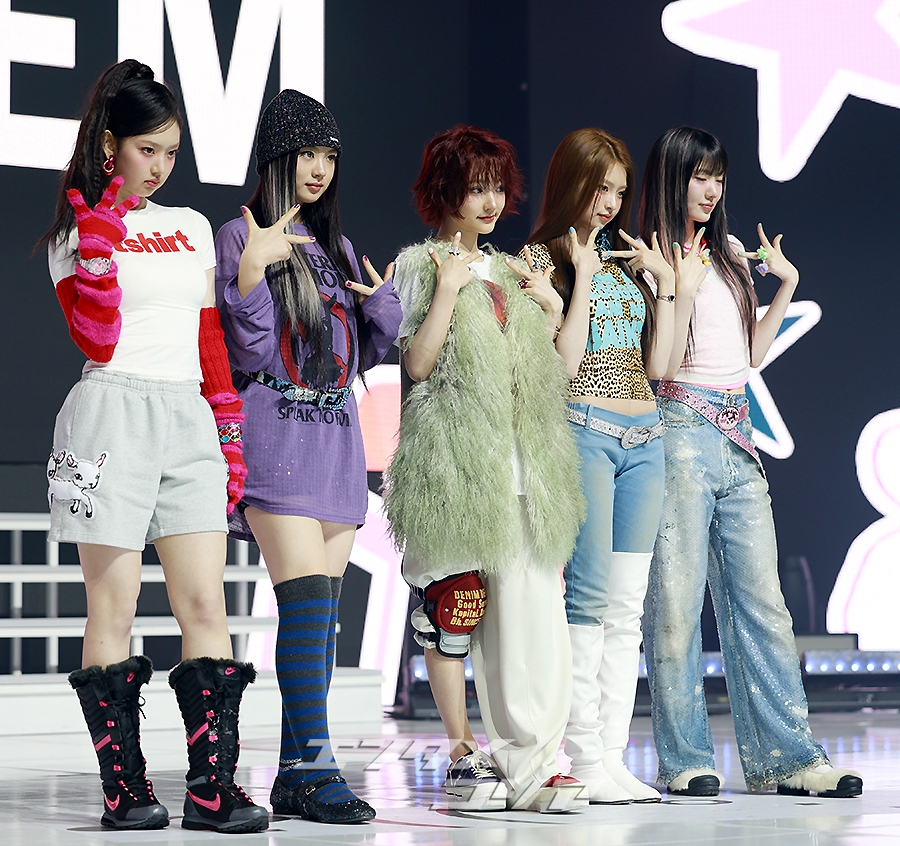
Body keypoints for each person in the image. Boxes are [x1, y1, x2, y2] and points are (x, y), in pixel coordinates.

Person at [42, 60, 268, 833]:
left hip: (188, 417)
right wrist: (100, 248)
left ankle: (213, 790)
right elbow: (95, 337)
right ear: (111, 146)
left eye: (171, 152)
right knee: (114, 604)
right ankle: (125, 792)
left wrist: (227, 431)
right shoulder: (73, 234)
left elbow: (209, 341)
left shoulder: (193, 226)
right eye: (148, 150)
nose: (161, 165)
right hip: (110, 414)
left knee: (205, 601)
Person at [637, 126, 863, 798]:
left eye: (718, 178)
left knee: (764, 604)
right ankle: (684, 759)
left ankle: (788, 759)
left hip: (738, 439)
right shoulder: (649, 257)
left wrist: (785, 286)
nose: (710, 190)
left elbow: (751, 354)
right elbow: (661, 367)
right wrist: (676, 285)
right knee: (676, 605)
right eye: (698, 176)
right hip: (678, 429)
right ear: (673, 178)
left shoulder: (731, 255)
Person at [383, 125, 588, 813]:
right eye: (477, 188)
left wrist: (555, 307)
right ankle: (470, 754)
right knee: (456, 615)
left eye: (498, 187)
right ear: (446, 191)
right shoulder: (418, 265)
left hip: (525, 470)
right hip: (456, 470)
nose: (492, 201)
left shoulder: (509, 270)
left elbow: (555, 374)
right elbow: (416, 366)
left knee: (535, 620)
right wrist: (446, 289)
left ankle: (536, 760)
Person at [214, 90, 402, 824]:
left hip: (337, 440)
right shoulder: (239, 235)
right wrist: (251, 276)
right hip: (277, 435)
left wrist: (381, 311)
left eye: (329, 156)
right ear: (275, 157)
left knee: (320, 620)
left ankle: (297, 774)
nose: (319, 169)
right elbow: (249, 351)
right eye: (306, 154)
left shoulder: (339, 249)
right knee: (304, 607)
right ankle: (317, 769)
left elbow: (357, 357)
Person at [521, 128, 675, 803]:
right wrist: (580, 276)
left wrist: (668, 289)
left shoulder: (625, 261)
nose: (610, 202)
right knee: (586, 598)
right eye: (599, 187)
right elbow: (564, 365)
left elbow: (659, 367)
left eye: (618, 190)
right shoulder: (537, 259)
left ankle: (612, 756)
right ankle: (582, 755)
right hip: (585, 428)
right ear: (572, 182)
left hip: (646, 435)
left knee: (628, 605)